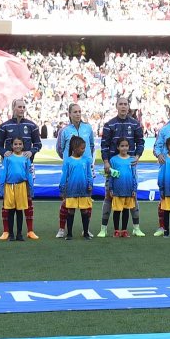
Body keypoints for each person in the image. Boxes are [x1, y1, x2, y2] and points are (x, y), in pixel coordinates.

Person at [0, 100, 42, 243]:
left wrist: (31, 151)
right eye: (19, 107)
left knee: (28, 199)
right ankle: (6, 231)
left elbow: (38, 144)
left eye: (23, 107)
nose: (22, 109)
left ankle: (30, 230)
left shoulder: (32, 125)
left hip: (27, 167)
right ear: (13, 108)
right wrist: (4, 152)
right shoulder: (5, 126)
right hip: (10, 167)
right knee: (7, 201)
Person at [99, 93, 145, 238]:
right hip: (113, 166)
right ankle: (104, 228)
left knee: (132, 196)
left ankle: (135, 227)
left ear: (128, 107)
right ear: (117, 106)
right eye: (121, 104)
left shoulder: (135, 124)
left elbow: (141, 142)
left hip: (130, 165)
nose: (123, 106)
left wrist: (137, 156)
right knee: (109, 196)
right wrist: (106, 162)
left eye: (126, 104)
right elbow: (104, 145)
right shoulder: (109, 124)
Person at [59, 134, 95, 240]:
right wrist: (62, 189)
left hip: (84, 191)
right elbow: (64, 176)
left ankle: (86, 233)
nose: (84, 150)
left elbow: (89, 174)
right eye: (82, 148)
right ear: (74, 148)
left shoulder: (86, 160)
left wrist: (90, 184)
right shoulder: (68, 161)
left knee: (85, 211)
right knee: (70, 211)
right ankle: (69, 233)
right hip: (71, 191)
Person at [107, 145, 140, 238]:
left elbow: (134, 175)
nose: (124, 148)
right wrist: (111, 188)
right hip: (117, 190)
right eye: (122, 146)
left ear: (129, 147)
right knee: (117, 211)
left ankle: (124, 230)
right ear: (117, 147)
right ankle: (116, 230)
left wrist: (134, 189)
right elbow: (111, 175)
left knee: (126, 210)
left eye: (126, 146)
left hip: (128, 189)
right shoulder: (113, 160)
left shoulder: (132, 159)